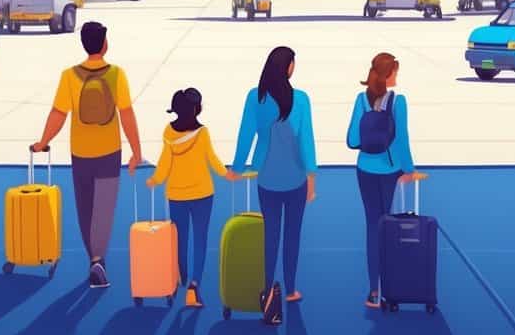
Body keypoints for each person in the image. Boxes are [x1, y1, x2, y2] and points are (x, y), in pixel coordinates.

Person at [32, 20, 142, 289]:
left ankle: (93, 257)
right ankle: (98, 260)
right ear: (104, 44)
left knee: (85, 208)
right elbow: (126, 114)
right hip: (109, 151)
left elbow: (58, 114)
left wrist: (43, 142)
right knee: (104, 209)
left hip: (80, 152)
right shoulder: (117, 74)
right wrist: (136, 151)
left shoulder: (69, 76)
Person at [231, 46, 317, 305]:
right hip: (296, 179)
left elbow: (245, 134)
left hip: (266, 176)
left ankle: (268, 288)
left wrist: (237, 168)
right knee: (293, 235)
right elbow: (306, 141)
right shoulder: (301, 99)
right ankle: (290, 289)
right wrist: (311, 177)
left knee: (270, 235)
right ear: (288, 67)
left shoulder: (255, 97)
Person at [345, 52, 419, 308]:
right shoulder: (399, 102)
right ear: (388, 75)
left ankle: (373, 291)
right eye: (395, 72)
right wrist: (408, 169)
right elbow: (402, 140)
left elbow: (352, 140)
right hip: (390, 171)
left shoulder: (360, 100)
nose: (397, 77)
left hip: (364, 169)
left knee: (372, 227)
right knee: (389, 226)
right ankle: (391, 286)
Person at [147, 87, 231, 308]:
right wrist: (226, 174)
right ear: (197, 109)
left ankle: (180, 277)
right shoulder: (202, 133)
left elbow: (165, 163)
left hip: (176, 195)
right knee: (200, 239)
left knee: (179, 239)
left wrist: (155, 179)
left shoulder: (168, 132)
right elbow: (211, 159)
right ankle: (194, 286)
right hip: (203, 194)